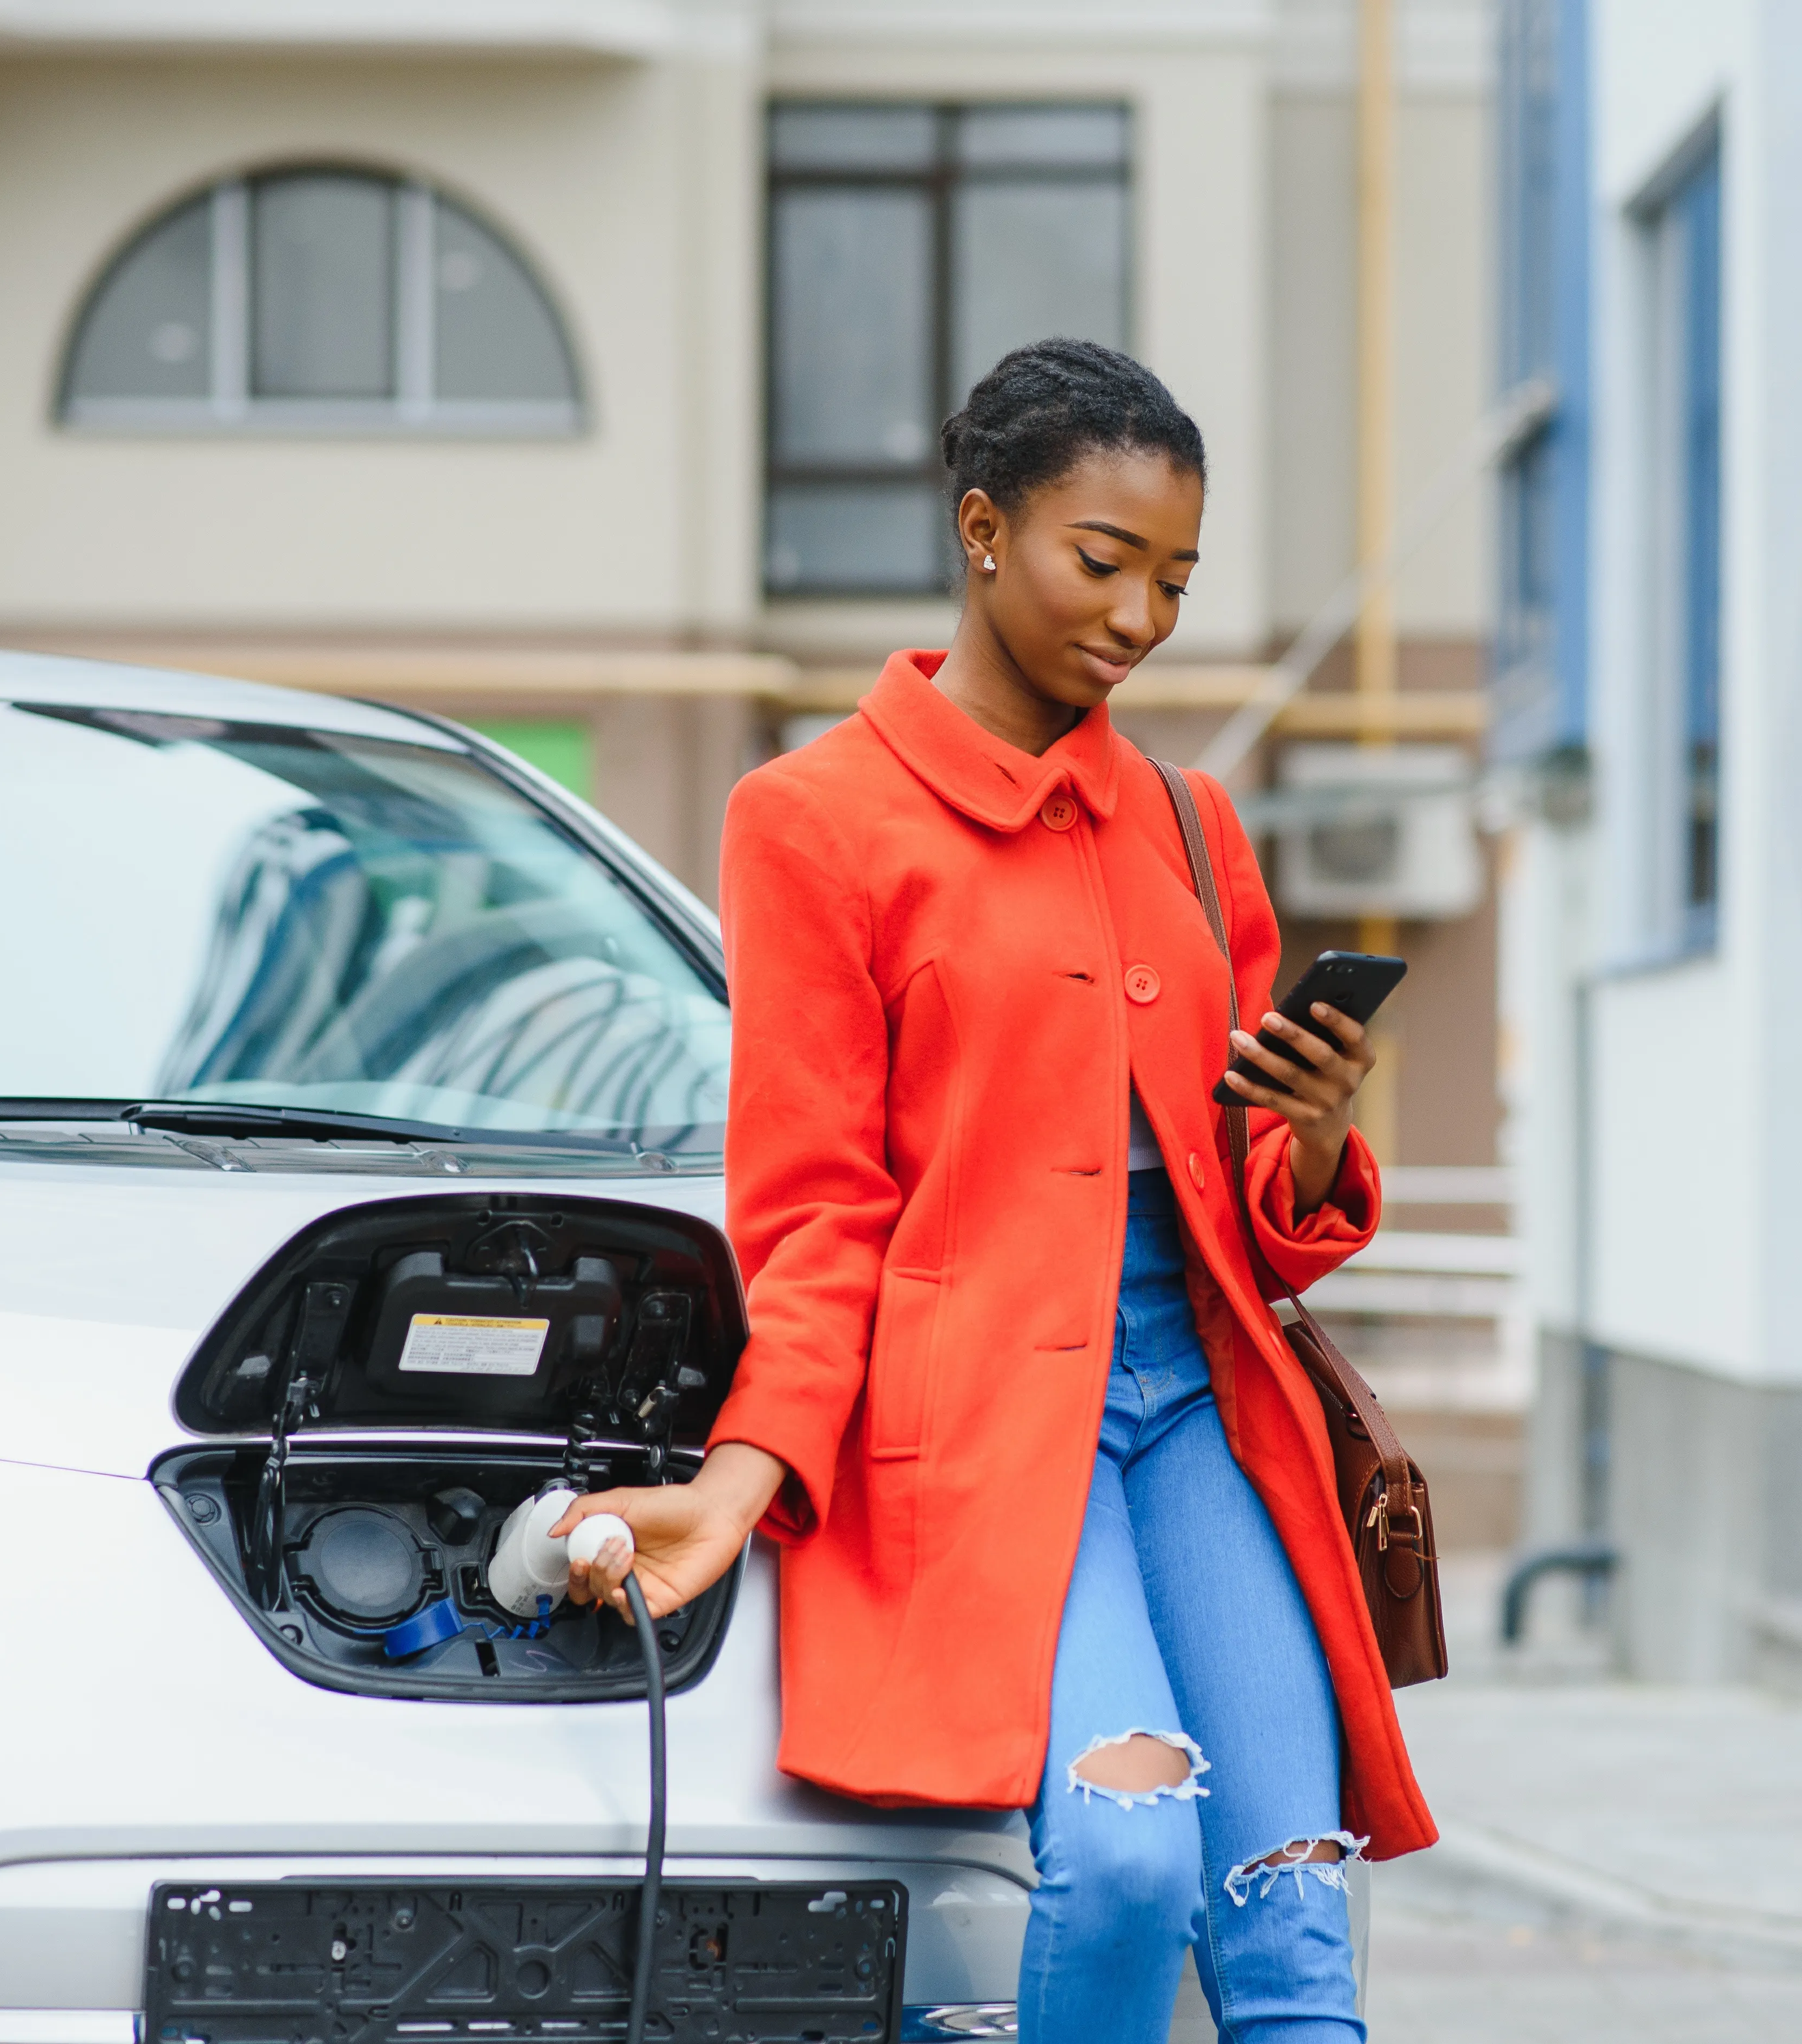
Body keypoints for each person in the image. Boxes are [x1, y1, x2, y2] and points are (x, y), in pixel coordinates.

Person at [557, 337, 1435, 2042]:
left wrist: (1316, 1132)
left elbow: (1255, 1207)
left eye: (1173, 582)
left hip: (1203, 1413)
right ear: (980, 529)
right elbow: (813, 1212)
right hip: (979, 1434)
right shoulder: (811, 819)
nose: (1139, 619)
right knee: (1121, 1864)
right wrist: (740, 1484)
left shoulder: (1189, 827)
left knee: (1293, 1925)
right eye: (1100, 564)